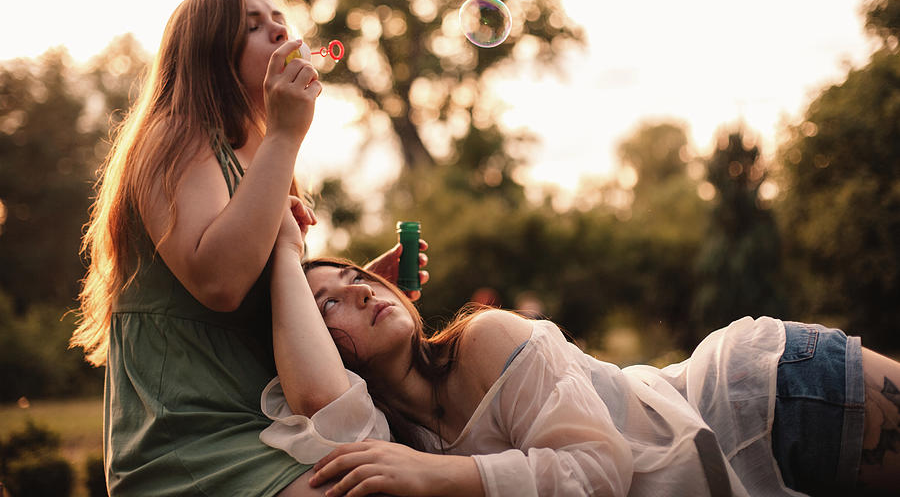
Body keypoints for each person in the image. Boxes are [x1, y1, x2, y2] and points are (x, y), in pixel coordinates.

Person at [259, 205, 900, 497]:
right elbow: (322, 400)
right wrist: (287, 256)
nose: (364, 292)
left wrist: (447, 477)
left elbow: (599, 469)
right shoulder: (398, 441)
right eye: (330, 306)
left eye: (360, 279)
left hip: (770, 398)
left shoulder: (486, 338)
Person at [69, 0, 409, 496]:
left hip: (266, 425)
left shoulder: (263, 156)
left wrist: (351, 294)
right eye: (252, 25)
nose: (276, 29)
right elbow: (221, 282)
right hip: (190, 439)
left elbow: (271, 299)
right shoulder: (177, 133)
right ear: (210, 54)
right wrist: (285, 134)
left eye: (278, 18)